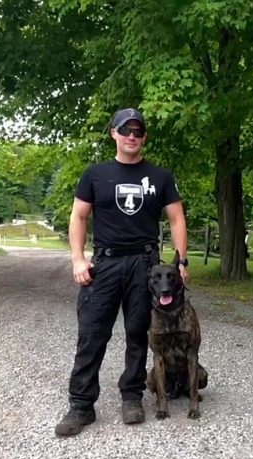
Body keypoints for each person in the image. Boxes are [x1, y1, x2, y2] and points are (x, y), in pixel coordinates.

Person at [55, 108, 189, 436]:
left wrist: (181, 261)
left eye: (138, 130)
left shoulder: (160, 176)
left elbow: (176, 219)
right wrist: (77, 258)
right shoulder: (95, 174)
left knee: (138, 332)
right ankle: (81, 405)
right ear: (113, 133)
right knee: (92, 334)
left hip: (146, 265)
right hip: (105, 264)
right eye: (125, 129)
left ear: (144, 137)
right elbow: (78, 216)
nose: (132, 135)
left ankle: (132, 396)